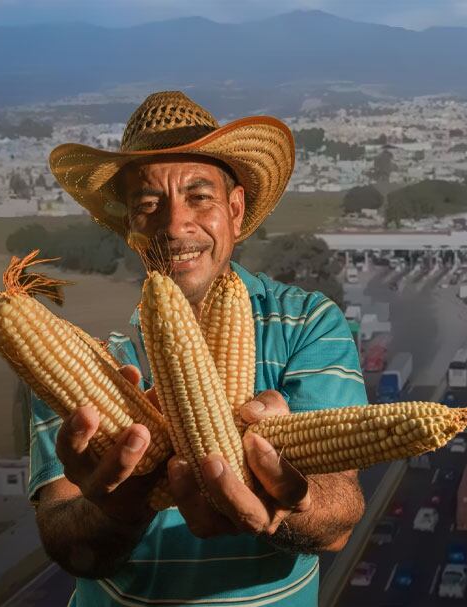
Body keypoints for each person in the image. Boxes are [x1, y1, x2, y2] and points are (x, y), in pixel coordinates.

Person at [31, 91, 366, 606]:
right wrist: (120, 507)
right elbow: (64, 537)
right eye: (148, 205)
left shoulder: (307, 323)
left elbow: (339, 517)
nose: (174, 225)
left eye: (199, 196)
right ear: (131, 230)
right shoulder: (81, 356)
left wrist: (281, 499)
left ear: (235, 208)